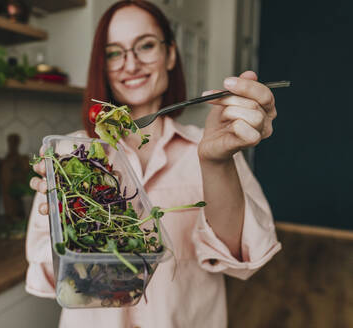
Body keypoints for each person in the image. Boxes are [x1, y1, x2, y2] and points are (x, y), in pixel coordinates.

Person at [26, 1, 281, 327]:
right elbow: (49, 273)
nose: (130, 63)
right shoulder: (71, 156)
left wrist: (215, 163)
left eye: (145, 45)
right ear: (102, 66)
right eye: (114, 52)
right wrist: (70, 216)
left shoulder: (210, 147)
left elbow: (241, 257)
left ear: (170, 54)